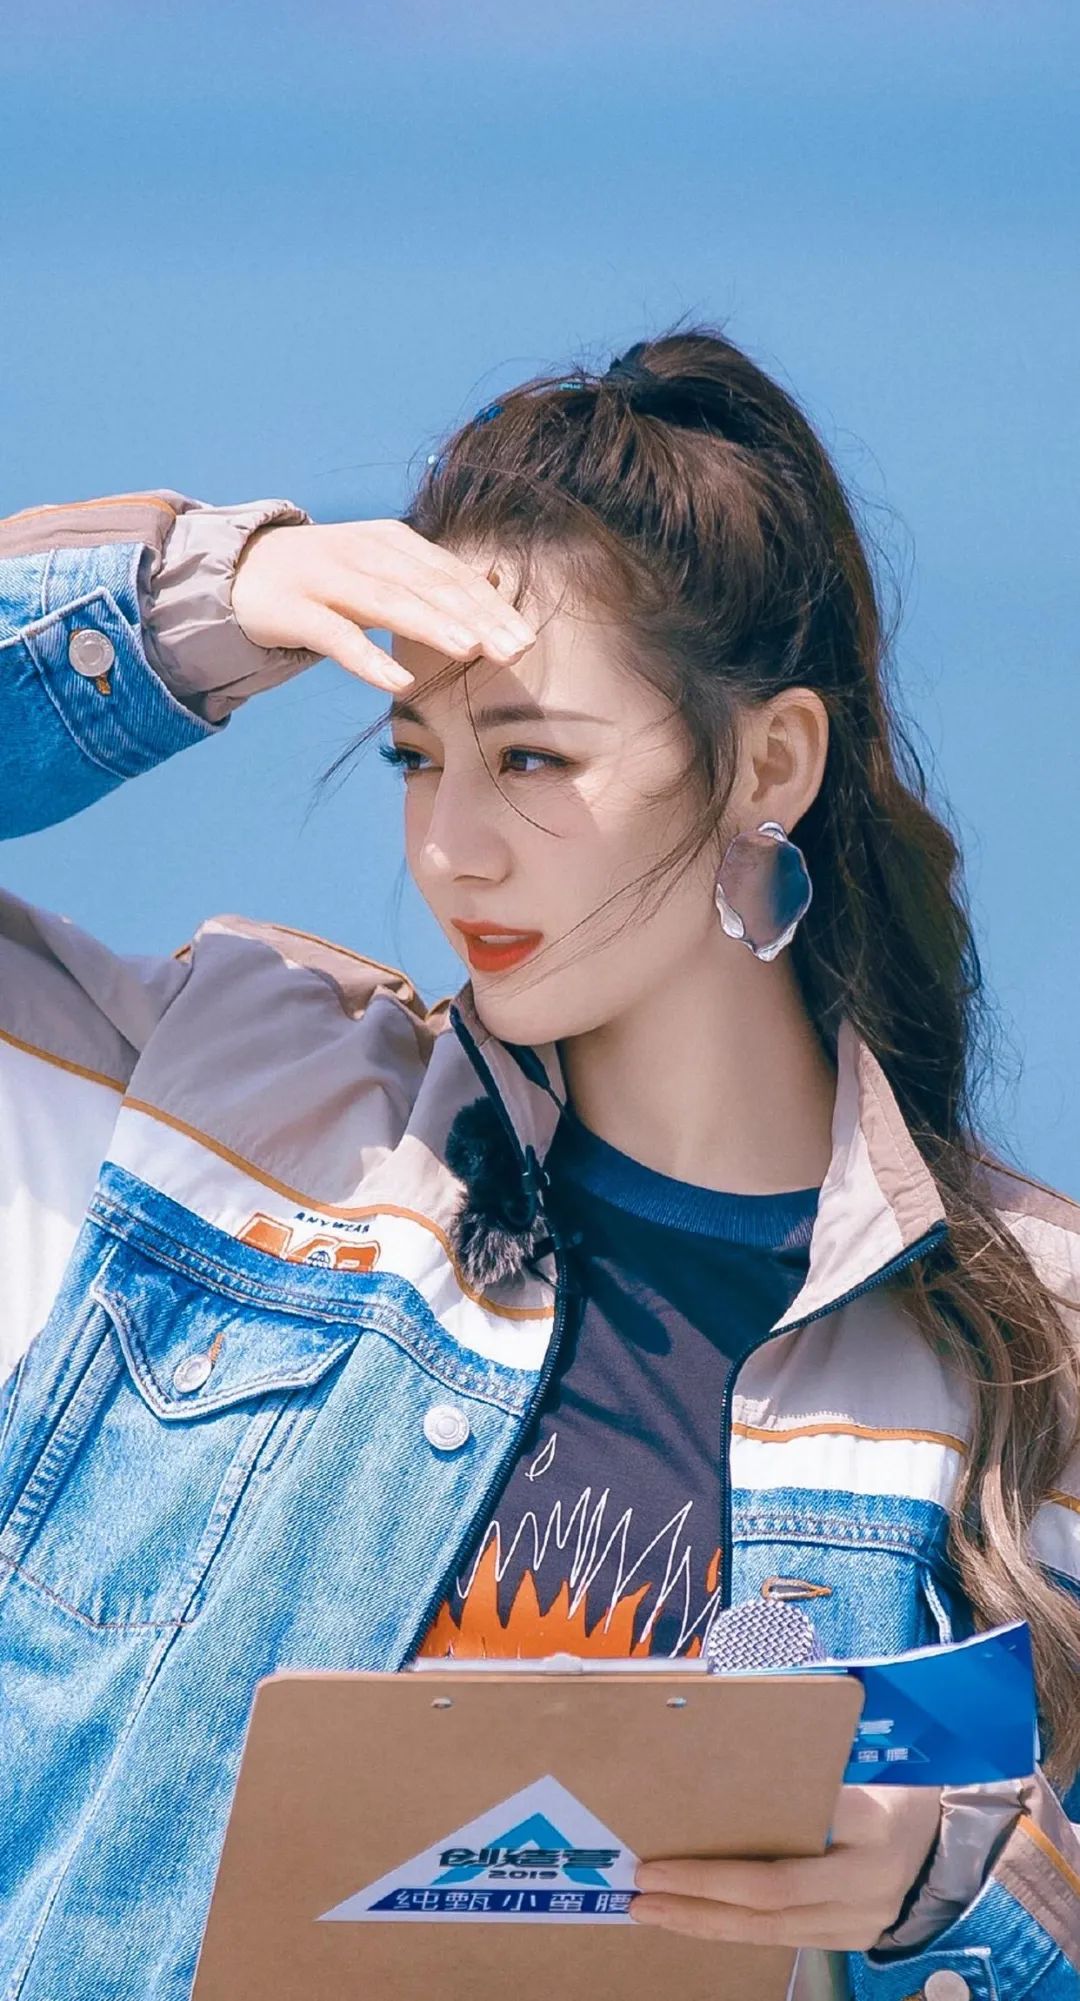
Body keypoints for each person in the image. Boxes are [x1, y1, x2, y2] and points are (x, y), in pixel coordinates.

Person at [0, 327, 1076, 2001]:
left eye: (530, 757)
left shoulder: (1026, 1344)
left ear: (770, 765)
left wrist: (949, 1894)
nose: (450, 849)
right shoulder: (225, 1101)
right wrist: (193, 602)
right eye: (417, 755)